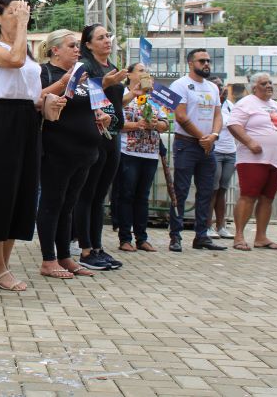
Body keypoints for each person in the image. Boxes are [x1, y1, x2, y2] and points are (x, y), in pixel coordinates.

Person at [0, 0, 41, 292]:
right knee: (2, 190)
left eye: (23, 11)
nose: (19, 16)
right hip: (2, 118)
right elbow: (14, 62)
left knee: (23, 191)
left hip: (28, 117)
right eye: (13, 12)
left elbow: (31, 91)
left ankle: (2, 266)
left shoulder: (26, 51)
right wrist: (23, 24)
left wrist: (49, 100)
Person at [35, 30, 97, 279]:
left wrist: (99, 117)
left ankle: (64, 256)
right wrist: (62, 83)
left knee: (68, 205)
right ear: (55, 50)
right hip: (57, 151)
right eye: (71, 45)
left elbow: (89, 106)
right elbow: (35, 100)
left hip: (84, 153)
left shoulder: (82, 75)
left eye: (78, 46)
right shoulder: (45, 72)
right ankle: (48, 259)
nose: (77, 50)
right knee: (52, 203)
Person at [74, 24, 127, 271]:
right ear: (88, 44)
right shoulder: (84, 67)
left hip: (112, 135)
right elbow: (80, 95)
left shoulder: (112, 66)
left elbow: (116, 101)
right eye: (100, 37)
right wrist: (105, 83)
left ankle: (97, 246)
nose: (107, 40)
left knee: (100, 196)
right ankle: (85, 249)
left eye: (108, 36)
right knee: (87, 194)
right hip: (93, 135)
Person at [228, 73, 277, 251]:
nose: (269, 85)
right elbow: (233, 124)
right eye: (264, 83)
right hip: (253, 159)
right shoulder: (246, 103)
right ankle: (239, 236)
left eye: (270, 82)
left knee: (267, 198)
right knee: (248, 196)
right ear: (254, 87)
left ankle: (261, 237)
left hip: (276, 159)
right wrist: (249, 142)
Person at [168, 48, 227, 252]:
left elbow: (218, 115)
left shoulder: (212, 87)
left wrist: (214, 135)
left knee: (206, 192)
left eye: (208, 60)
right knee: (181, 191)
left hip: (208, 146)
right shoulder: (180, 85)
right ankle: (175, 236)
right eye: (202, 61)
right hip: (186, 145)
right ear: (190, 63)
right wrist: (202, 137)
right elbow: (181, 116)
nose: (206, 64)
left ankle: (202, 235)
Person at [117, 62, 169, 252]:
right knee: (126, 195)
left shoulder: (153, 97)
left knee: (142, 197)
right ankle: (125, 238)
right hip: (128, 152)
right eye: (140, 71)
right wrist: (137, 125)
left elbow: (165, 124)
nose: (144, 73)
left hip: (150, 153)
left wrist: (156, 124)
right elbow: (115, 123)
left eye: (146, 71)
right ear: (129, 75)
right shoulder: (123, 95)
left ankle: (142, 238)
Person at [206, 78, 244, 239]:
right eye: (217, 85)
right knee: (212, 189)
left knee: (223, 189)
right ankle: (207, 226)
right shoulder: (208, 104)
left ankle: (221, 226)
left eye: (222, 85)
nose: (222, 88)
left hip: (230, 152)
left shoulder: (229, 105)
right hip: (215, 151)